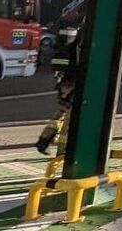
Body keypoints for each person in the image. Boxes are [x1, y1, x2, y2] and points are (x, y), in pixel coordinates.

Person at [34, 21, 82, 155]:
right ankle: (63, 150)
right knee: (71, 117)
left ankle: (44, 140)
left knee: (61, 112)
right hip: (74, 84)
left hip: (64, 85)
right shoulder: (78, 45)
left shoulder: (62, 48)